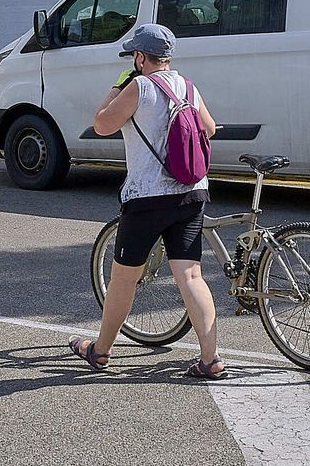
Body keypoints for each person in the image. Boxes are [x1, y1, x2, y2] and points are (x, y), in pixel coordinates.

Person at [69, 24, 226, 379]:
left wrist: (117, 87)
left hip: (148, 197)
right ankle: (210, 358)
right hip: (192, 192)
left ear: (140, 58)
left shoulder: (138, 86)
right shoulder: (188, 85)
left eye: (133, 55)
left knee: (124, 278)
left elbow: (101, 124)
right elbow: (210, 128)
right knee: (190, 275)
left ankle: (101, 352)